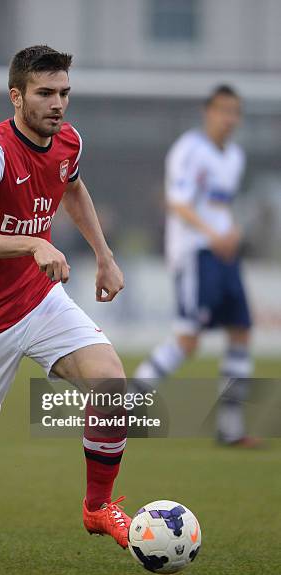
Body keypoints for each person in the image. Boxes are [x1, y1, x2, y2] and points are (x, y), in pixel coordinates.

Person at [0, 45, 131, 560]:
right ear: (16, 96)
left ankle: (97, 507)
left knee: (111, 385)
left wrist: (104, 255)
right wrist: (34, 243)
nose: (57, 104)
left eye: (63, 93)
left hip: (39, 301)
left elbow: (72, 189)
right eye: (44, 93)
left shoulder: (69, 141)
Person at [134, 85, 258, 447]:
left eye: (235, 112)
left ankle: (230, 429)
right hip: (196, 255)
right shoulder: (190, 150)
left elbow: (219, 206)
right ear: (208, 112)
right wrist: (211, 235)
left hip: (224, 254)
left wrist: (231, 229)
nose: (229, 118)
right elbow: (178, 203)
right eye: (223, 110)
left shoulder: (234, 156)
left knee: (241, 331)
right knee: (188, 340)